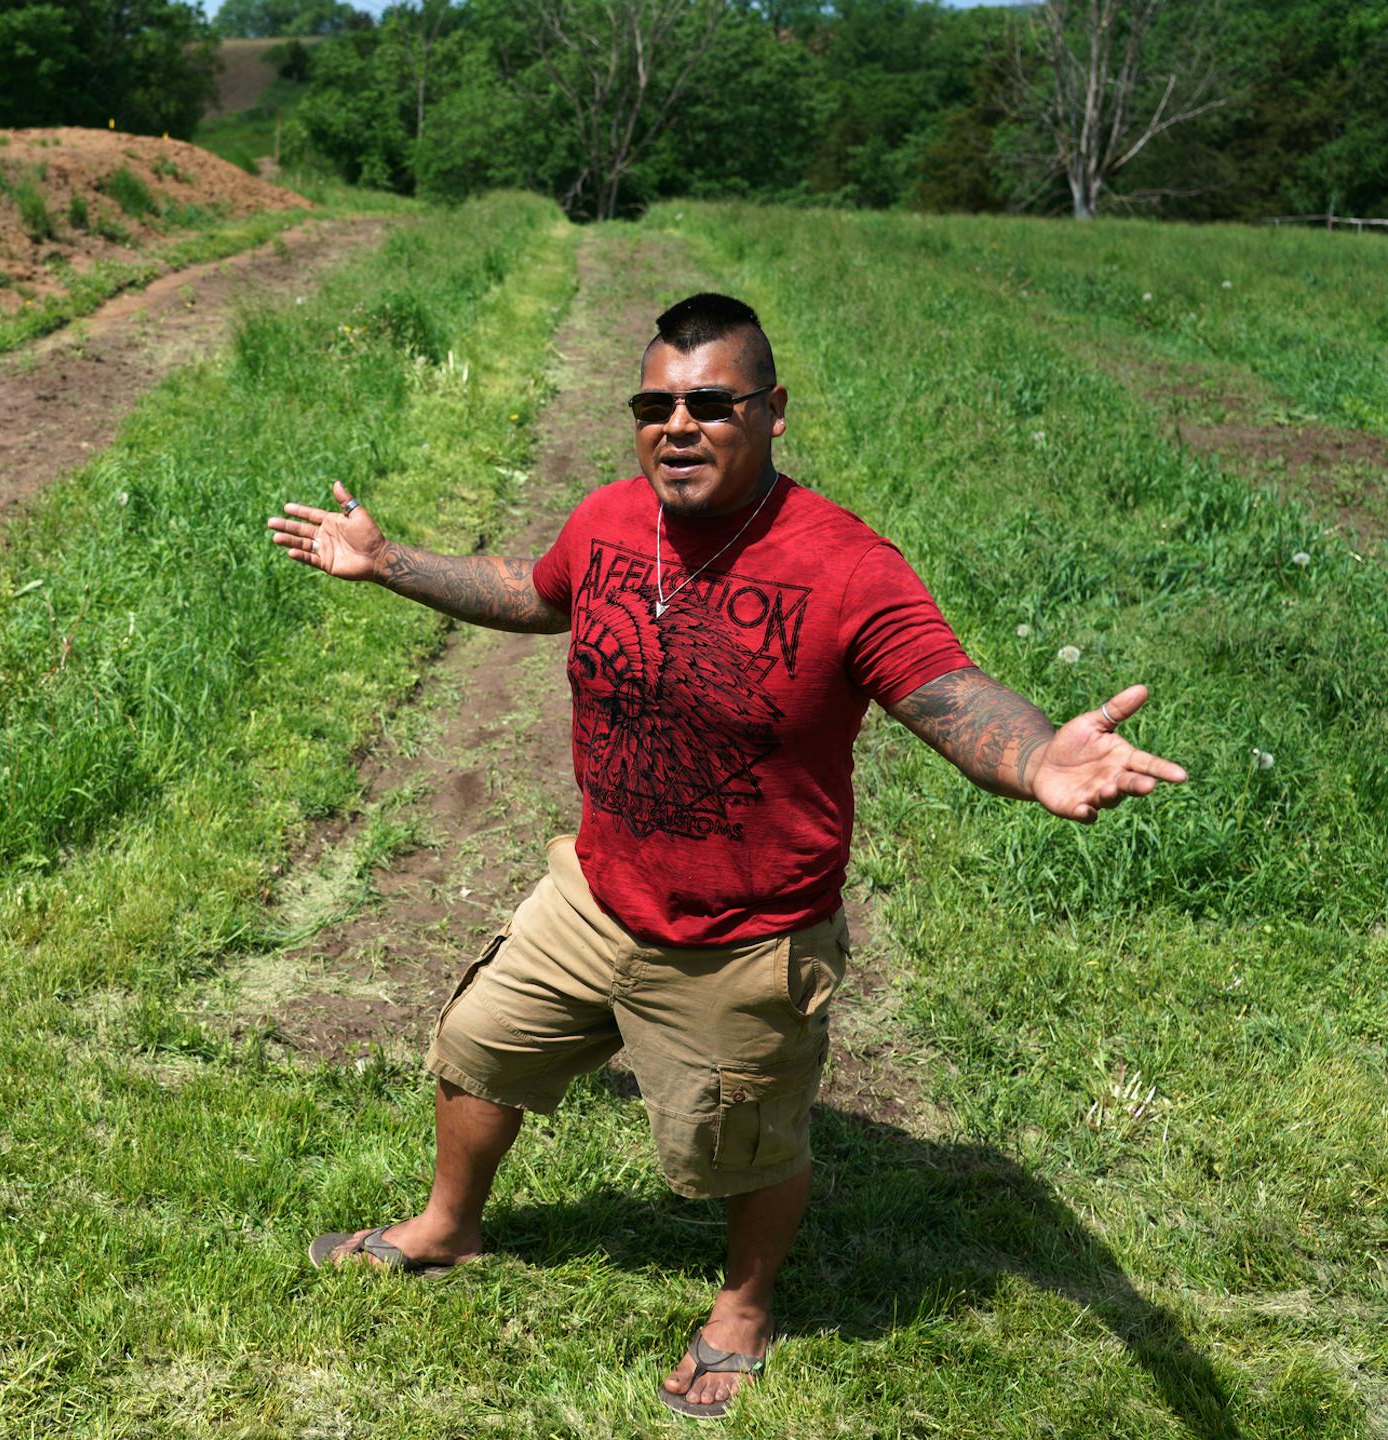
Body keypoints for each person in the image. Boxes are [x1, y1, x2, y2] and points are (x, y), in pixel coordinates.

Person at [263, 293, 1187, 1420]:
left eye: (711, 402)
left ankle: (743, 1308)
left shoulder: (847, 565)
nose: (680, 424)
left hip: (746, 937)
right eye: (656, 404)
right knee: (478, 1042)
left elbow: (943, 688)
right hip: (598, 890)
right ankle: (450, 1228)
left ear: (773, 411)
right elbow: (533, 593)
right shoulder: (610, 518)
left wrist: (1037, 756)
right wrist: (390, 560)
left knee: (744, 1146)